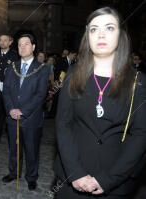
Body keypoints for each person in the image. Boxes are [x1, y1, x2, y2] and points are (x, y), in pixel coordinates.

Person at [54, 7, 146, 199]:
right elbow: (63, 124)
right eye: (94, 29)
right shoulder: (73, 75)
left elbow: (141, 135)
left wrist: (109, 179)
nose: (101, 34)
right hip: (72, 178)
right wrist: (75, 172)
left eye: (110, 28)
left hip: (115, 182)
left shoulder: (138, 81)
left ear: (121, 35)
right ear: (87, 36)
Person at [2, 34, 50, 190]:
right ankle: (13, 173)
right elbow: (6, 91)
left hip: (31, 118)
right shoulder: (12, 67)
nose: (22, 47)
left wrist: (23, 111)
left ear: (33, 47)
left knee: (31, 149)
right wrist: (11, 109)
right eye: (20, 45)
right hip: (12, 117)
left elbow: (40, 95)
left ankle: (31, 177)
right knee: (14, 148)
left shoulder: (43, 68)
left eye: (26, 44)